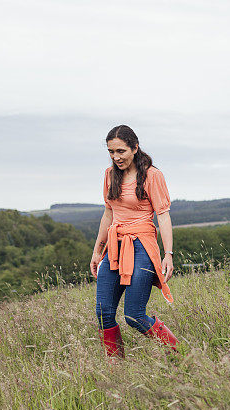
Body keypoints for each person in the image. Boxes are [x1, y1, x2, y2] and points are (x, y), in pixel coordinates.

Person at [89, 125, 178, 360]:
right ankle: (117, 369)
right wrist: (98, 251)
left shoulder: (152, 175)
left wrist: (168, 254)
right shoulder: (109, 175)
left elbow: (163, 215)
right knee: (103, 313)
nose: (116, 157)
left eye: (121, 151)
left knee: (134, 315)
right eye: (111, 152)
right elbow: (108, 214)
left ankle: (181, 353)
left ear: (135, 148)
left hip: (142, 245)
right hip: (115, 246)